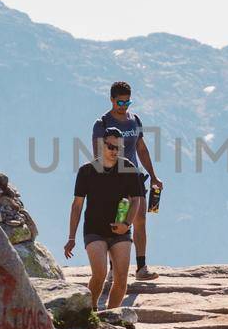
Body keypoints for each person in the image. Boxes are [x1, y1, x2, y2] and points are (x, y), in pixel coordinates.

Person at [65, 127, 146, 310]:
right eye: (110, 146)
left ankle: (112, 315)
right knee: (100, 273)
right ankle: (91, 310)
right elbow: (77, 206)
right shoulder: (86, 171)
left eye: (118, 147)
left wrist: (126, 225)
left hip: (121, 231)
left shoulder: (128, 168)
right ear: (102, 145)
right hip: (94, 230)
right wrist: (71, 238)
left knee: (122, 278)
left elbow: (136, 201)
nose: (114, 151)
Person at [91, 80, 163, 279]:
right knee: (118, 222)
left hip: (135, 177)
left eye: (127, 103)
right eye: (120, 103)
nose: (123, 107)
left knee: (140, 220)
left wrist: (154, 176)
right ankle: (114, 270)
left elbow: (141, 148)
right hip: (112, 179)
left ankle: (141, 268)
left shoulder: (134, 120)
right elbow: (98, 155)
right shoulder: (103, 123)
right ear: (112, 99)